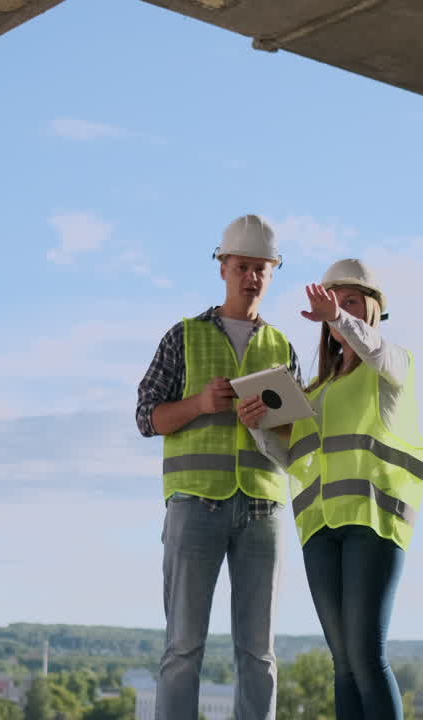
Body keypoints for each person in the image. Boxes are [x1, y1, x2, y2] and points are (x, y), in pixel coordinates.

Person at [239, 258, 423, 720]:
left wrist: (336, 318)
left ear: (372, 312)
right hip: (320, 529)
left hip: (371, 521)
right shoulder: (316, 388)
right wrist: (260, 430)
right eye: (333, 302)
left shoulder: (393, 365)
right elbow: (294, 459)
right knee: (343, 665)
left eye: (350, 302)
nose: (339, 310)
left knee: (366, 657)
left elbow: (377, 353)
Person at [136, 214, 301, 720]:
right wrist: (200, 404)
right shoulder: (182, 336)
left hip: (263, 510)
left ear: (272, 274)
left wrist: (266, 424)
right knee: (183, 647)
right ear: (223, 267)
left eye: (261, 269)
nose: (252, 276)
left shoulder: (282, 348)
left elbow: (295, 441)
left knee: (259, 653)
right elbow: (148, 417)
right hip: (195, 506)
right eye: (243, 266)